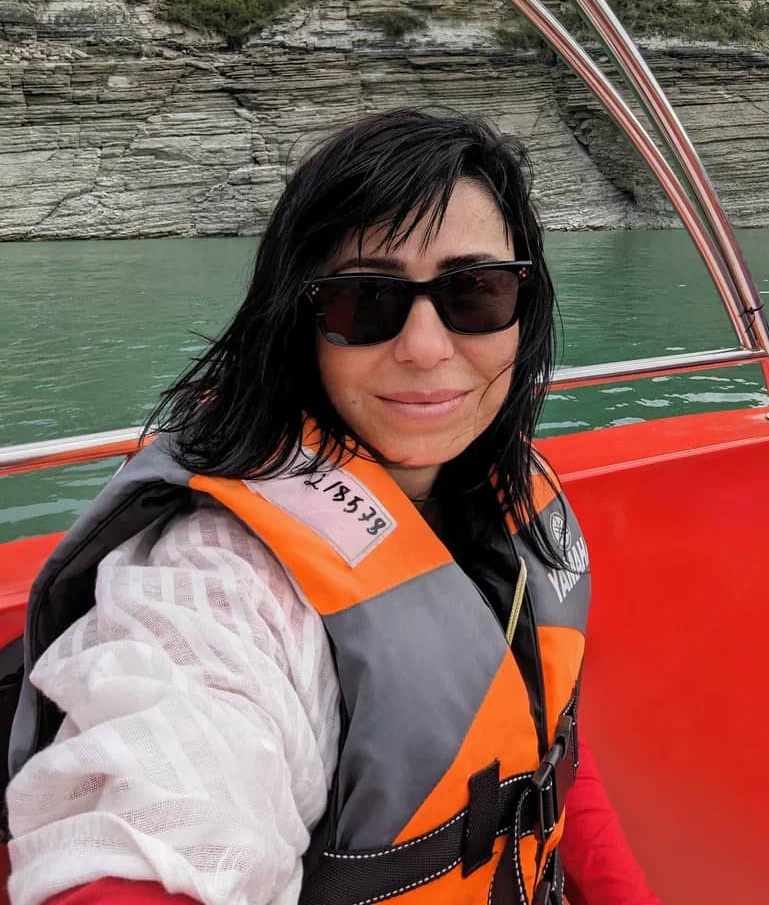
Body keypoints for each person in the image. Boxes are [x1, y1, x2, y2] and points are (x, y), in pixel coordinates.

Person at [2, 109, 660, 905]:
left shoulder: (499, 497)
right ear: (299, 322)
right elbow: (156, 807)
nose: (425, 347)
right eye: (364, 302)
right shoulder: (223, 577)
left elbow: (550, 759)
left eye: (476, 292)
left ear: (525, 308)